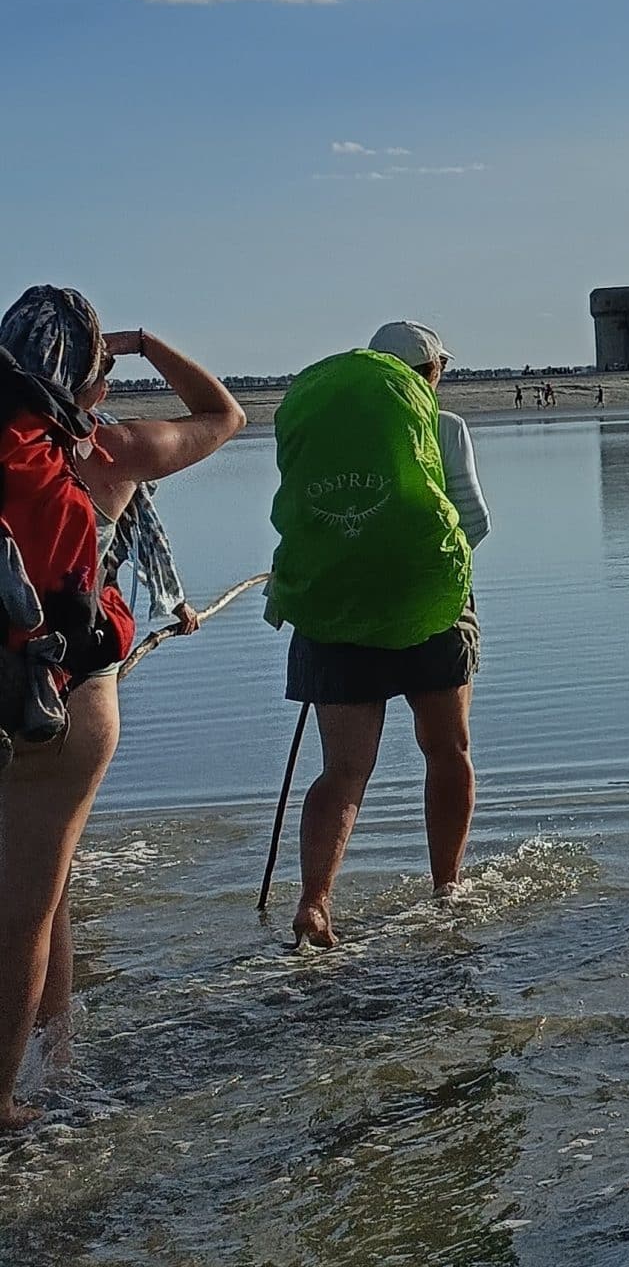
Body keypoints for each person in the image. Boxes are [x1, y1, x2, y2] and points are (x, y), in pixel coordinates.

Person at [0, 291, 240, 1128]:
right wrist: (143, 344)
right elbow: (224, 414)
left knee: (45, 883)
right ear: (90, 379)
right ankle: (6, 1098)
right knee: (29, 906)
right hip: (70, 706)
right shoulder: (108, 450)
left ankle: (53, 1055)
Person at [272, 321, 489, 948]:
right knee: (447, 750)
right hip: (431, 610)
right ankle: (447, 888)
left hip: (335, 610)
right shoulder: (444, 426)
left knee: (343, 770)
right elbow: (474, 520)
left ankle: (315, 903)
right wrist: (426, 571)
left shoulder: (323, 429)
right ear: (430, 373)